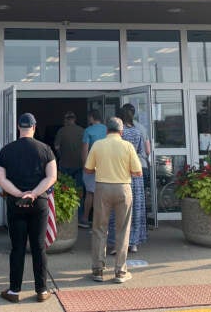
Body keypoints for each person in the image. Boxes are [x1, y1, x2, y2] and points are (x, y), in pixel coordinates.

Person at [0, 113, 57, 304]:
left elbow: (0, 179)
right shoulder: (45, 149)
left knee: (17, 247)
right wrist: (34, 194)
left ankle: (14, 291)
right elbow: (51, 177)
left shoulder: (6, 151)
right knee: (39, 247)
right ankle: (42, 290)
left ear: (18, 127)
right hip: (39, 203)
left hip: (16, 204)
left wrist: (19, 194)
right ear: (34, 127)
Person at [84, 116, 142, 284]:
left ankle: (98, 270)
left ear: (106, 130)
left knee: (99, 228)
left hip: (102, 188)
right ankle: (120, 271)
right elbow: (138, 172)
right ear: (121, 131)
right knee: (123, 230)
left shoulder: (98, 145)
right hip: (123, 188)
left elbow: (88, 170)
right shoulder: (127, 146)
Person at [107, 103, 148, 253]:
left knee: (115, 209)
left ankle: (114, 243)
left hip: (117, 173)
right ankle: (133, 242)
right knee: (134, 209)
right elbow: (143, 152)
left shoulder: (118, 133)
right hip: (134, 175)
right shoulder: (137, 132)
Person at [79, 109, 106, 229]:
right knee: (102, 194)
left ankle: (85, 218)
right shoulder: (107, 129)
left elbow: (85, 150)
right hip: (105, 165)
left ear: (92, 117)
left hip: (92, 165)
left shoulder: (88, 131)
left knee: (90, 193)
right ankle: (100, 220)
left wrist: (85, 166)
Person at [53, 111, 84, 188]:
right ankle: (80, 200)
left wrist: (60, 157)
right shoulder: (82, 130)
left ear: (65, 119)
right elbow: (86, 147)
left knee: (66, 188)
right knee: (79, 188)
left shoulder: (61, 131)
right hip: (79, 164)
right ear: (75, 119)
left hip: (65, 164)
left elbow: (56, 147)